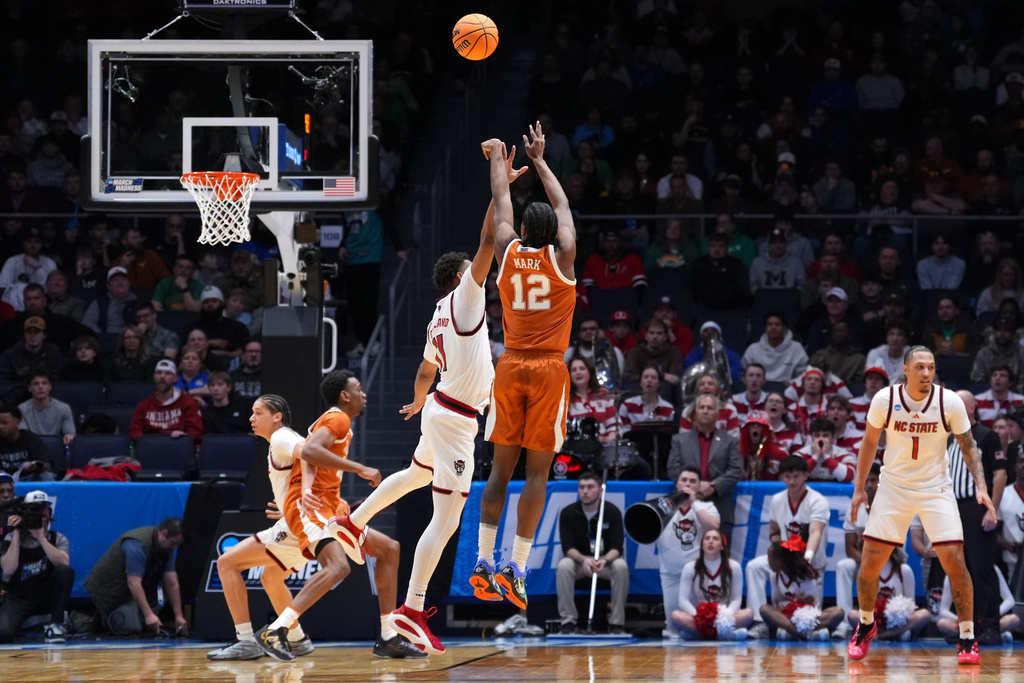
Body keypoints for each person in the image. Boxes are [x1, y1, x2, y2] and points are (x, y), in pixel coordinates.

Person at [325, 150, 506, 655]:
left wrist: (416, 401)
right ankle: (411, 607)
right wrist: (499, 182)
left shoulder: (436, 314)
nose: (480, 273)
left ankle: (352, 522)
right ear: (459, 278)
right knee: (446, 520)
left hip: (441, 408)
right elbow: (489, 238)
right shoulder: (467, 299)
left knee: (417, 475)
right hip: (455, 420)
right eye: (473, 270)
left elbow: (427, 368)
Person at [476, 122, 577, 610]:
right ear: (554, 235)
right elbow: (563, 207)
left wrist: (499, 158)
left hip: (510, 365)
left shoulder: (507, 251)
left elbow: (501, 202)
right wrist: (540, 159)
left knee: (499, 471)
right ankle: (516, 566)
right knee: (536, 473)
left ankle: (481, 559)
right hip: (548, 371)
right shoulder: (565, 258)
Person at [253, 370, 420, 661]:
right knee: (338, 567)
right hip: (312, 507)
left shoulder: (338, 422)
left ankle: (388, 635)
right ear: (345, 396)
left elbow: (310, 454)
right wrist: (360, 468)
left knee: (389, 550)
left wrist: (303, 489)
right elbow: (311, 451)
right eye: (358, 388)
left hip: (331, 506)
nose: (363, 393)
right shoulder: (337, 418)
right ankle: (277, 629)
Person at [847, 346, 996, 665]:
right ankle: (867, 625)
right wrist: (860, 489)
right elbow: (870, 443)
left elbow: (969, 447)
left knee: (955, 561)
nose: (926, 373)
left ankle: (967, 637)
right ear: (905, 369)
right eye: (920, 367)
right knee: (870, 566)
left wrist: (981, 485)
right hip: (893, 486)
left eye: (931, 367)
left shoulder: (950, 401)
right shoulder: (885, 400)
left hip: (935, 487)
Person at [205, 394, 357, 660]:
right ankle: (297, 640)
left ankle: (245, 641)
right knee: (271, 577)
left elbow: (310, 451)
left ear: (277, 417)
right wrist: (290, 500)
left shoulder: (281, 437)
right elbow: (307, 459)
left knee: (227, 563)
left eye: (258, 412)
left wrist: (305, 497)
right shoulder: (281, 440)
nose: (251, 418)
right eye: (251, 413)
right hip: (302, 517)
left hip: (300, 522)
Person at [744, 455, 830, 639]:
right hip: (786, 561)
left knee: (812, 617)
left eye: (796, 476)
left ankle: (804, 630)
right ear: (782, 477)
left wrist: (806, 557)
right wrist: (778, 553)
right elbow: (774, 531)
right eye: (787, 477)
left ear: (805, 476)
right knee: (754, 567)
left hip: (811, 561)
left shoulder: (818, 500)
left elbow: (815, 532)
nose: (791, 481)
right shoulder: (777, 499)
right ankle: (760, 623)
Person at [948, 390, 1007, 645]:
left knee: (982, 567)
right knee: (961, 570)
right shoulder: (948, 439)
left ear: (971, 408)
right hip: (953, 509)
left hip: (976, 508)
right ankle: (968, 629)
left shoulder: (986, 436)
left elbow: (1001, 474)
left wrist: (990, 509)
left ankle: (991, 625)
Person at [83, 518, 188, 636]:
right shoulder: (137, 545)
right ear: (163, 534)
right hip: (110, 591)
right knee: (131, 627)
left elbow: (172, 583)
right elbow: (134, 583)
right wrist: (148, 615)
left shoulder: (166, 549)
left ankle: (141, 616)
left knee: (161, 596)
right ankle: (93, 619)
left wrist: (179, 616)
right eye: (173, 543)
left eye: (176, 545)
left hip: (133, 590)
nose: (173, 548)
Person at [555, 472, 629, 634]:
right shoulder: (568, 513)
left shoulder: (611, 512)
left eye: (590, 487)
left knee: (621, 566)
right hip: (579, 562)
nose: (585, 491)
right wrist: (584, 560)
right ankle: (568, 623)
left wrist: (605, 561)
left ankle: (617, 624)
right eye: (581, 487)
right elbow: (567, 547)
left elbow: (618, 547)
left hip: (605, 562)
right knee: (564, 566)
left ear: (600, 491)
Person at [667, 394, 742, 542]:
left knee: (720, 557)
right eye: (701, 408)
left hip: (719, 505)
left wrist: (712, 486)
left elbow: (736, 470)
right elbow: (673, 468)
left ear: (717, 414)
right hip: (685, 504)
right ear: (695, 413)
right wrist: (696, 485)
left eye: (709, 408)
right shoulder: (679, 440)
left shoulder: (730, 441)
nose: (705, 411)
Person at [0, 491, 73, 644]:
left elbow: (64, 564)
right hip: (20, 596)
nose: (40, 517)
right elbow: (8, 569)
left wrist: (41, 538)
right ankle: (31, 621)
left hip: (46, 595)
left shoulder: (57, 538)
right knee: (3, 634)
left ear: (49, 515)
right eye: (34, 513)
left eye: (43, 514)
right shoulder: (11, 538)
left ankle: (55, 624)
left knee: (64, 572)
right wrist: (16, 534)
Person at [657, 467, 720, 638]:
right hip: (671, 575)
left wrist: (694, 503)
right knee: (674, 629)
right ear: (677, 483)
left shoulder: (707, 506)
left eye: (693, 481)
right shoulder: (663, 507)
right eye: (684, 480)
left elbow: (713, 526)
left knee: (700, 623)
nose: (687, 484)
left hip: (698, 576)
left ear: (699, 486)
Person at [670, 528, 752, 641]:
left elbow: (736, 600)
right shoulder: (690, 567)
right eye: (707, 538)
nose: (710, 541)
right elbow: (683, 601)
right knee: (676, 616)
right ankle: (727, 635)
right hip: (699, 617)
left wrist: (725, 617)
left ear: (722, 546)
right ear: (702, 545)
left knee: (748, 614)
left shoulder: (734, 567)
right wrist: (700, 618)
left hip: (724, 618)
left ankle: (697, 635)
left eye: (715, 539)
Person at [759, 539, 844, 640]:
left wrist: (798, 604)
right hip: (786, 617)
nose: (768, 562)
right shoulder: (774, 575)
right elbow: (777, 603)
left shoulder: (806, 575)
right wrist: (792, 605)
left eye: (770, 558)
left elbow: (810, 607)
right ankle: (806, 634)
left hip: (808, 618)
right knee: (764, 609)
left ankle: (792, 632)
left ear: (781, 561)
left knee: (838, 612)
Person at [842, 547, 932, 642]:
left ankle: (881, 636)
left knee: (925, 614)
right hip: (876, 621)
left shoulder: (904, 570)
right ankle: (897, 634)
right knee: (852, 615)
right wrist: (878, 612)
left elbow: (911, 605)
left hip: (899, 621)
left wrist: (897, 613)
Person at [834, 463, 881, 639]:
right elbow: (849, 548)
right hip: (862, 561)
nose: (869, 485)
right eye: (866, 481)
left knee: (904, 570)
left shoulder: (891, 506)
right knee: (844, 566)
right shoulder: (854, 507)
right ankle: (844, 624)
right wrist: (866, 563)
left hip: (888, 561)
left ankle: (889, 621)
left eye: (873, 480)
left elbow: (895, 546)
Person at [126, 359, 203, 443]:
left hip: (178, 447)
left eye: (167, 373)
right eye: (159, 373)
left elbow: (197, 432)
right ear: (154, 377)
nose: (162, 376)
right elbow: (134, 431)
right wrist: (148, 441)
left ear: (175, 379)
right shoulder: (143, 405)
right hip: (150, 448)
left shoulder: (188, 402)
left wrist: (184, 435)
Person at [937, 570, 1019, 644]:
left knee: (1013, 620)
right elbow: (943, 610)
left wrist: (992, 616)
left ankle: (974, 637)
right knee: (943, 624)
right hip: (965, 623)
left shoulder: (992, 569)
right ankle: (993, 635)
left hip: (989, 622)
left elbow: (1010, 600)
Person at [183, 286, 250, 363]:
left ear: (222, 303)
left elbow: (243, 353)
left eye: (214, 301)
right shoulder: (191, 327)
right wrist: (210, 343)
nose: (210, 304)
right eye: (206, 302)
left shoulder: (238, 327)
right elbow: (184, 351)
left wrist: (205, 350)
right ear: (201, 306)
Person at [741, 313, 807, 384]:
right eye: (770, 324)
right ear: (765, 328)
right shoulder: (753, 349)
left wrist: (793, 383)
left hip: (787, 390)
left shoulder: (796, 348)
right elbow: (743, 373)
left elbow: (804, 373)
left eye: (777, 324)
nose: (773, 327)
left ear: (784, 328)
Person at [564, 316, 624, 390]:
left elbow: (619, 378)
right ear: (579, 333)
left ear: (600, 332)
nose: (588, 332)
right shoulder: (569, 353)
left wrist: (605, 340)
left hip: (606, 396)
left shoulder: (614, 352)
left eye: (592, 329)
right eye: (584, 330)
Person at [17, 372, 74, 446]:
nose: (40, 387)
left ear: (50, 387)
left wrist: (69, 436)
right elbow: (22, 436)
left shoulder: (63, 408)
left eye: (44, 383)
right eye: (36, 384)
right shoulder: (22, 409)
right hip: (32, 449)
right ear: (29, 388)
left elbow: (70, 434)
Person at [0, 317, 61, 382]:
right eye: (29, 332)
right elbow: (3, 383)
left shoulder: (53, 352)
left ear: (44, 335)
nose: (32, 335)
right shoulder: (9, 356)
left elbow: (56, 379)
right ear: (24, 335)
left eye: (36, 332)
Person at [971, 319, 1024, 394]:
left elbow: (1022, 380)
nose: (1002, 334)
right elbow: (977, 378)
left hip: (1015, 395)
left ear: (1012, 333)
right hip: (988, 396)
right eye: (999, 330)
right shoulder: (984, 353)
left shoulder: (1021, 353)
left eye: (1006, 331)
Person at [795, 417, 856, 482]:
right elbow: (795, 477)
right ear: (812, 438)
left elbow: (848, 476)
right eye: (817, 435)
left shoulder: (844, 455)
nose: (821, 439)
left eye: (825, 435)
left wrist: (826, 456)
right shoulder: (800, 454)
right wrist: (815, 457)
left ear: (832, 438)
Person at [623, 318, 683, 384]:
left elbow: (676, 378)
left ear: (665, 337)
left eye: (659, 333)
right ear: (646, 336)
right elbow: (628, 376)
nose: (655, 336)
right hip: (639, 389)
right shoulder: (635, 352)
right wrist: (661, 375)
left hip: (664, 390)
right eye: (651, 333)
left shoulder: (674, 352)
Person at [0, 407, 52, 481]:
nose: (0, 427)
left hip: (29, 478)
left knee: (45, 475)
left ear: (17, 423)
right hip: (4, 481)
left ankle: (50, 493)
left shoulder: (30, 438)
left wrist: (36, 465)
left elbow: (47, 465)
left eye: (5, 423)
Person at [82, 266, 138, 335]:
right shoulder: (99, 303)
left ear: (129, 283)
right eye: (115, 280)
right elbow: (87, 322)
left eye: (123, 279)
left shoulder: (138, 303)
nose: (119, 283)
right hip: (105, 341)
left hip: (132, 340)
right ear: (108, 285)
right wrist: (101, 337)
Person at [997, 453, 1024, 581]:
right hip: (1013, 565)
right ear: (1015, 466)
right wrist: (1008, 545)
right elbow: (991, 532)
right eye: (1021, 461)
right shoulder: (1003, 495)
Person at [865, 321, 910, 385]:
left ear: (905, 339)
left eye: (899, 334)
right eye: (892, 334)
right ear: (887, 337)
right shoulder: (875, 354)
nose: (895, 338)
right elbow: (870, 380)